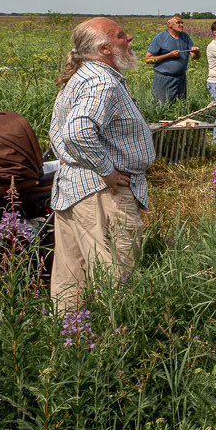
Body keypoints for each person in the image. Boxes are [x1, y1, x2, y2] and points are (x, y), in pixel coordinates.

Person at [49, 18, 155, 310]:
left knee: (72, 278)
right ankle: (114, 340)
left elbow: (59, 131)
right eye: (121, 35)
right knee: (115, 277)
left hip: (74, 187)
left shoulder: (83, 75)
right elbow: (77, 132)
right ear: (105, 48)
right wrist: (107, 172)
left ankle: (70, 338)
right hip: (102, 195)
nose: (129, 37)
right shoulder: (101, 80)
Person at [144, 16, 201, 106]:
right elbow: (147, 59)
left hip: (181, 78)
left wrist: (197, 52)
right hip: (164, 78)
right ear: (169, 24)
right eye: (178, 23)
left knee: (180, 106)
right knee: (163, 106)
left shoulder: (185, 37)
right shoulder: (160, 38)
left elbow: (194, 56)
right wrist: (169, 55)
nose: (181, 25)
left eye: (182, 23)